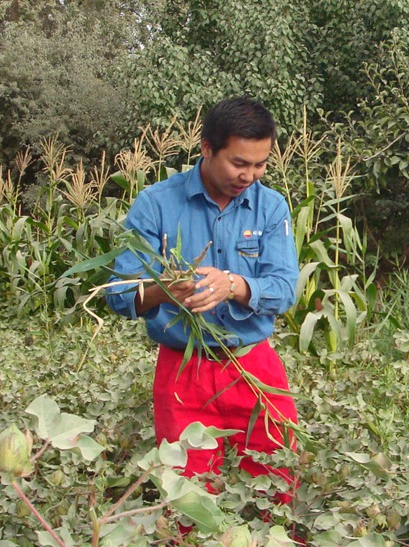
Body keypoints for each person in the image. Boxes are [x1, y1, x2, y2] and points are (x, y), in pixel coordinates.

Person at [105, 97, 299, 500]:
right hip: (183, 371)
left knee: (278, 485)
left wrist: (235, 285)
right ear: (207, 148)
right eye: (239, 163)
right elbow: (119, 294)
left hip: (253, 366)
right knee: (186, 498)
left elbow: (284, 289)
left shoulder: (271, 206)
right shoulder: (157, 204)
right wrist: (165, 291)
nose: (249, 175)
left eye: (260, 165)